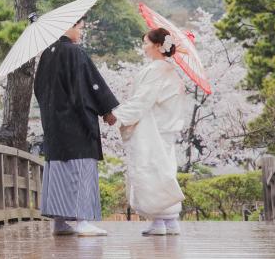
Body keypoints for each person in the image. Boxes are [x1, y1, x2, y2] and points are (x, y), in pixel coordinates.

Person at [33, 15, 119, 236]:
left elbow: (39, 90)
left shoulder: (46, 55)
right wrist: (106, 110)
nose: (81, 32)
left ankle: (59, 223)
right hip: (75, 125)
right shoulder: (75, 52)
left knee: (60, 172)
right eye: (80, 28)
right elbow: (90, 86)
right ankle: (83, 222)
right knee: (81, 169)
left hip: (54, 125)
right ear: (68, 26)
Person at [107, 28, 186, 236]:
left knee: (152, 171)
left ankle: (159, 222)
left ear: (159, 46)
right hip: (164, 130)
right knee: (164, 170)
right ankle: (169, 223)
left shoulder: (156, 70)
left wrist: (119, 115)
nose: (143, 47)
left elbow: (144, 100)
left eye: (146, 43)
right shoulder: (169, 70)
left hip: (153, 129)